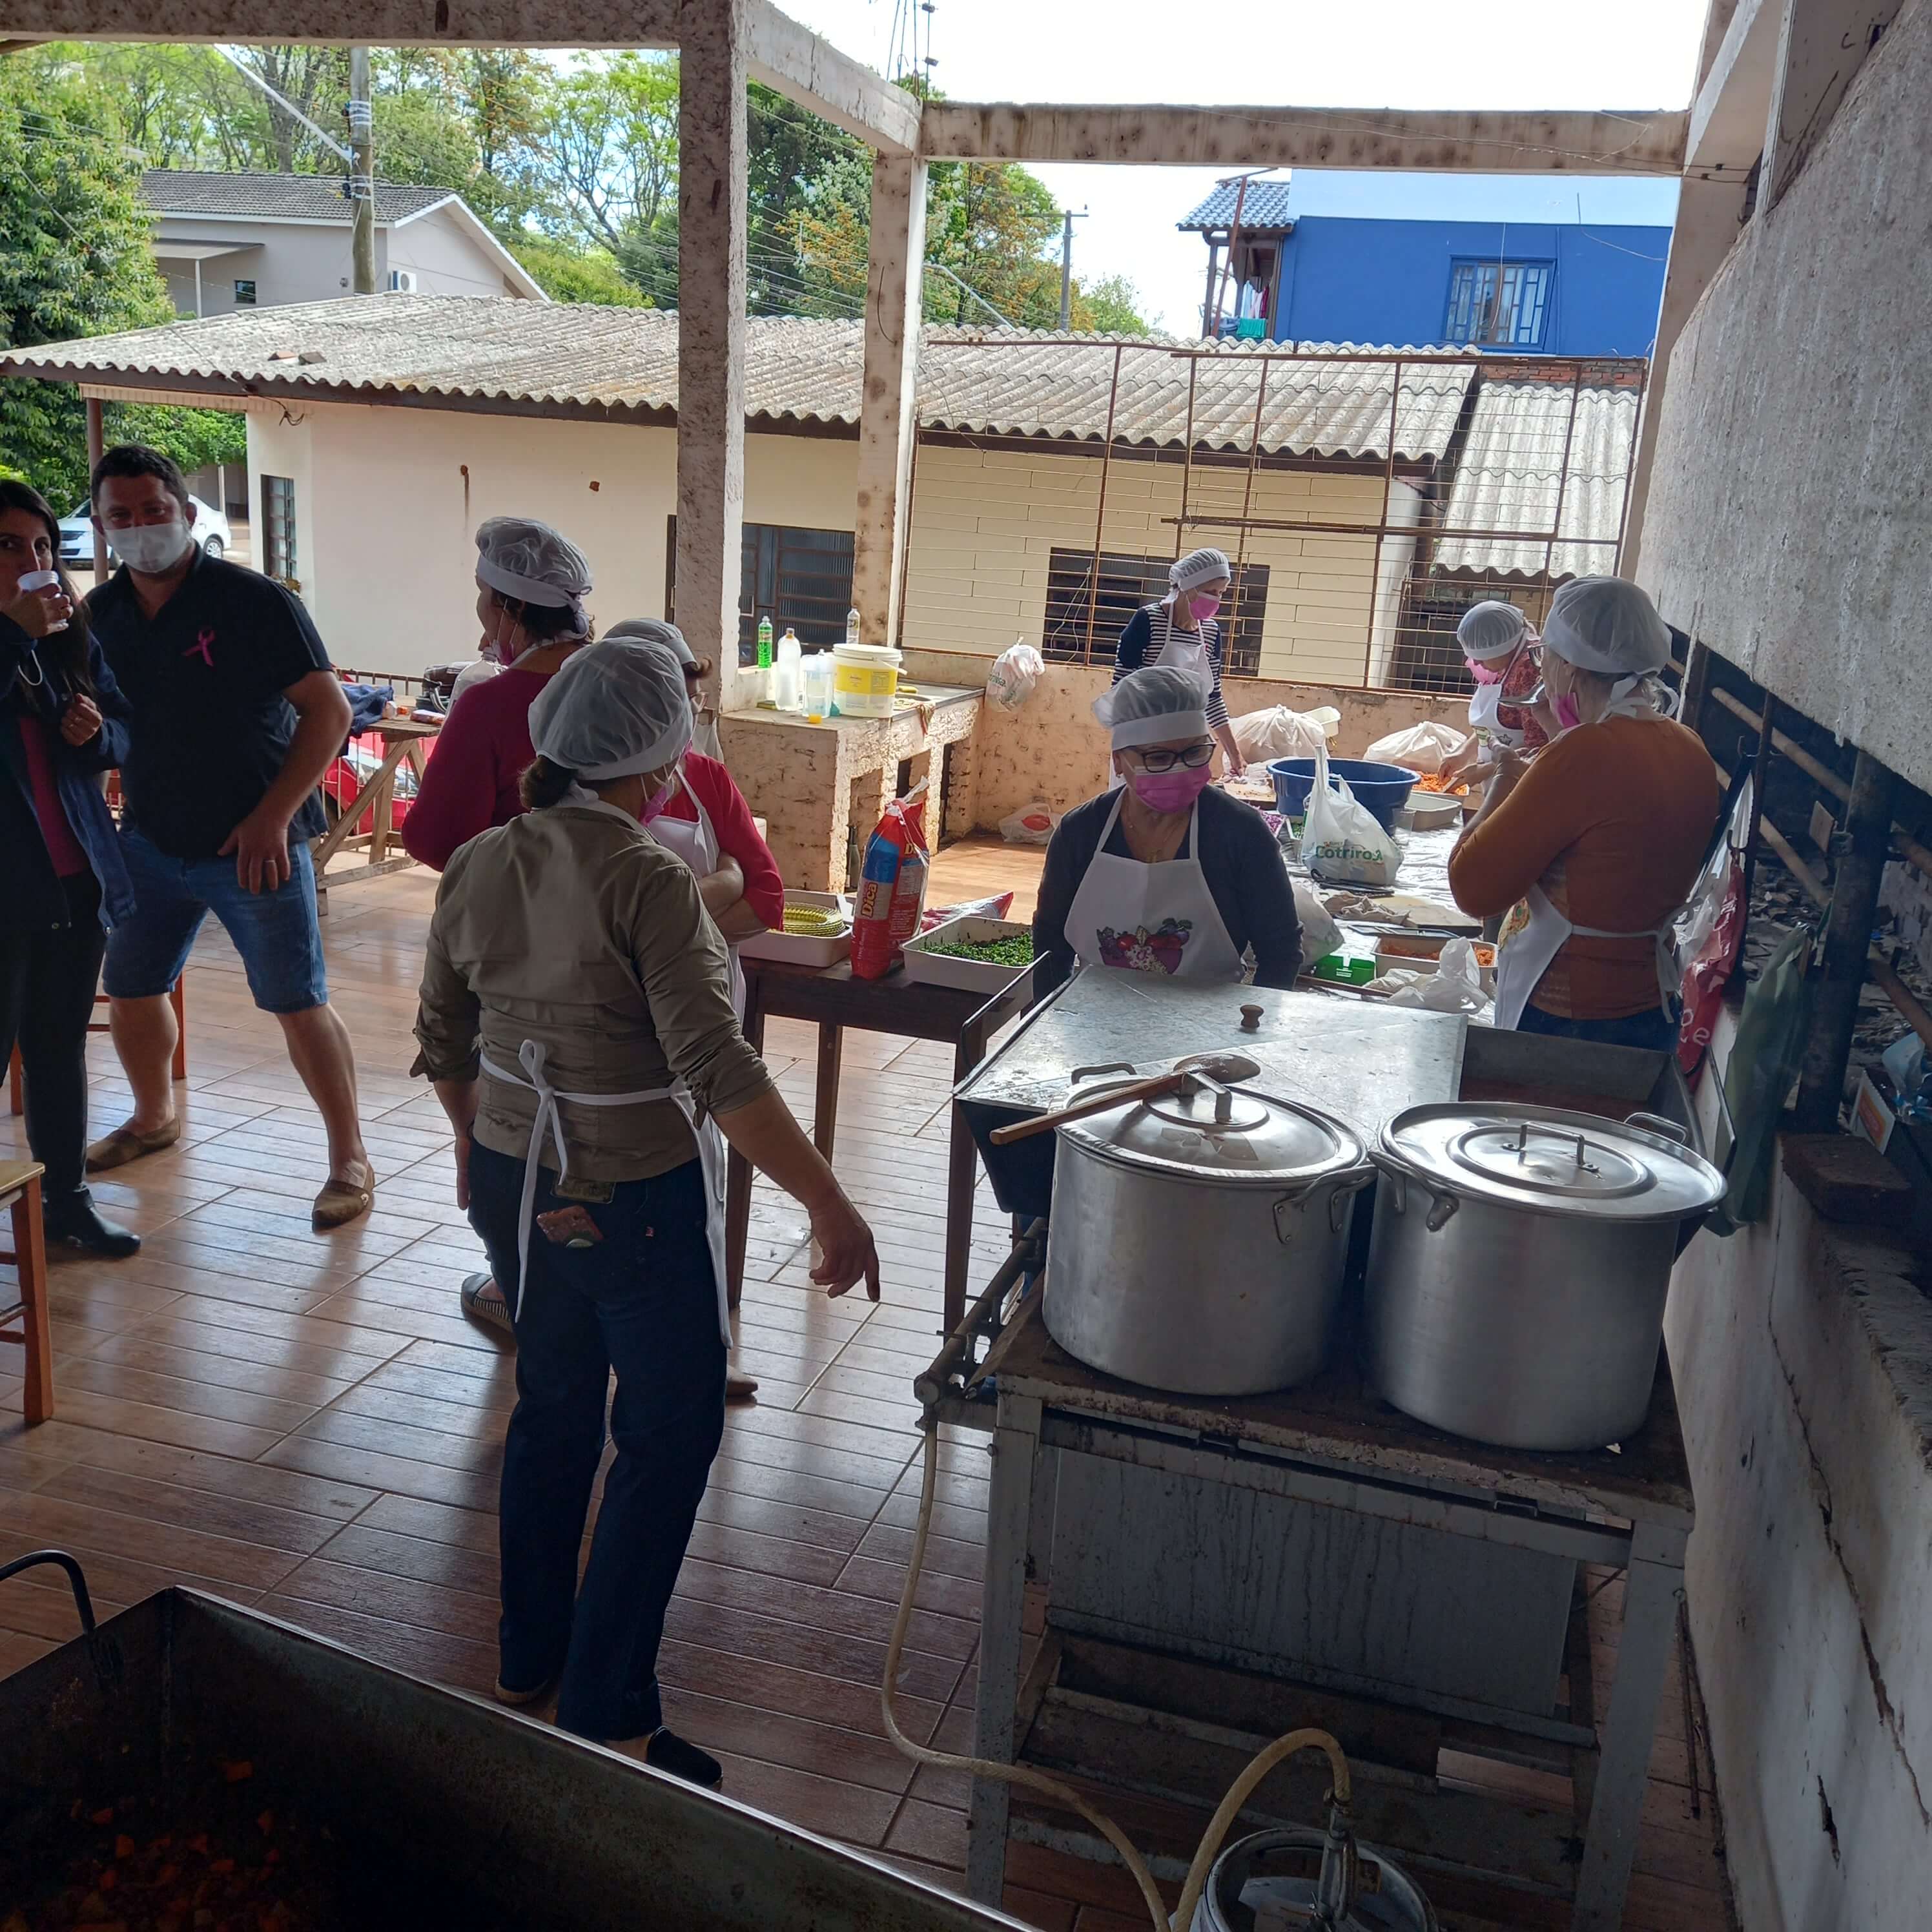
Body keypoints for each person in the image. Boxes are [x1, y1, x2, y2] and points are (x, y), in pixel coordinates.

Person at [413, 635, 881, 1782]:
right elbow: (716, 1067)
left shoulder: (479, 860)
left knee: (553, 1401)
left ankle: (528, 1654)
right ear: (662, 764)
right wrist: (828, 1202)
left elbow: (443, 1037)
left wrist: (480, 1145)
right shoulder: (648, 880)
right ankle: (609, 1708)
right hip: (633, 1192)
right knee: (670, 1433)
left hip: (517, 1174)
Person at [81, 446, 372, 1229]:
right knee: (132, 985)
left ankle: (349, 1157)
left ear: (185, 511)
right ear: (102, 529)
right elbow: (98, 727)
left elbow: (329, 712)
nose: (140, 527)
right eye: (120, 516)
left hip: (256, 843)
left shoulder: (252, 600)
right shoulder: (99, 615)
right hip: (148, 840)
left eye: (153, 509)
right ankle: (153, 1116)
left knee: (296, 1000)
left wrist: (273, 816)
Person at [1448, 577, 1718, 1051]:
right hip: (1651, 1003)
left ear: (1569, 665)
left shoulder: (1584, 752)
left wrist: (1505, 779)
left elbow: (1473, 889)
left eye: (1546, 657)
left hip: (1571, 1013)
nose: (1543, 669)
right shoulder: (1689, 747)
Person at [0, 482, 141, 1257]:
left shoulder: (67, 630)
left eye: (44, 546)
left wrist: (97, 735)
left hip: (74, 879)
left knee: (58, 1050)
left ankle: (68, 1204)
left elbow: (123, 727)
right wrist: (11, 636)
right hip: (7, 892)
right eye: (9, 546)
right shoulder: (24, 636)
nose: (34, 561)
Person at [1034, 664, 1300, 997]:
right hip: (1096, 1014)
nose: (1180, 770)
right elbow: (1050, 941)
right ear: (1119, 761)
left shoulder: (1240, 833)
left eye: (1195, 753)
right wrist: (1050, 1017)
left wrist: (1251, 1022)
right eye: (1158, 758)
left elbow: (1281, 951)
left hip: (1208, 1021)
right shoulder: (1081, 832)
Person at [402, 517, 596, 874]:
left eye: (482, 591)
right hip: (610, 892)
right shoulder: (618, 686)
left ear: (514, 606)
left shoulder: (488, 705)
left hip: (514, 895)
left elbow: (436, 840)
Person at [1111, 548, 1246, 777]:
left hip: (1188, 747)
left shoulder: (1211, 633)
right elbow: (1120, 692)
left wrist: (1235, 755)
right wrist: (1125, 752)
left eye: (1221, 593)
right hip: (1143, 746)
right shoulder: (1147, 621)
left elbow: (1212, 699)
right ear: (1187, 586)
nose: (1216, 599)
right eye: (1210, 591)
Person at [1439, 600, 1549, 786]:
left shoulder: (1529, 669)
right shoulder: (1506, 663)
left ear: (1504, 647)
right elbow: (1495, 725)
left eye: (1482, 657)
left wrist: (1485, 770)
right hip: (1499, 779)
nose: (1477, 663)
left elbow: (1539, 750)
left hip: (1523, 784)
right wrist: (1463, 754)